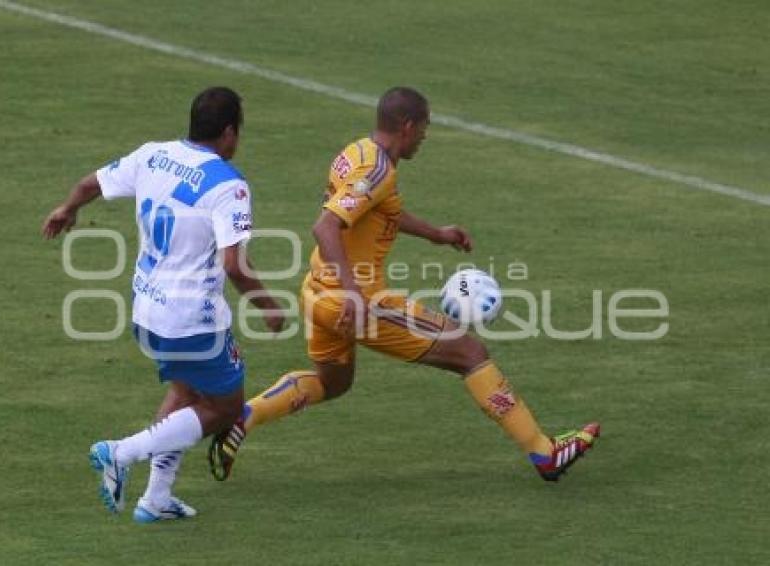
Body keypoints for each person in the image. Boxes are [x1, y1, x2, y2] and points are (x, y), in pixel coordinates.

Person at [209, 87, 599, 482]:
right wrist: (353, 295)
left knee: (333, 382)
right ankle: (544, 452)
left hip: (317, 293)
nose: (425, 137)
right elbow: (325, 226)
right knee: (469, 351)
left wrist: (436, 234)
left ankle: (246, 416)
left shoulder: (359, 153)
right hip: (354, 301)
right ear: (408, 127)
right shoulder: (376, 171)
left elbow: (383, 210)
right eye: (425, 128)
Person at [42, 87, 283, 522]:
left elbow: (91, 182)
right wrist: (269, 305)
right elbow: (235, 265)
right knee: (225, 407)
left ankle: (156, 498)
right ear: (228, 132)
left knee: (186, 393)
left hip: (146, 311)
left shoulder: (154, 155)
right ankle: (121, 451)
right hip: (191, 319)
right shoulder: (228, 185)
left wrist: (68, 207)